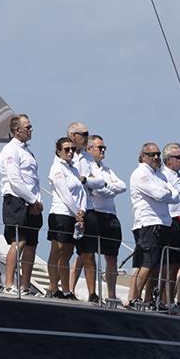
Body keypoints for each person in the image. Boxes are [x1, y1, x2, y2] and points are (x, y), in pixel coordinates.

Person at [127, 142, 180, 308]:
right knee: (147, 263)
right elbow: (159, 194)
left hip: (163, 223)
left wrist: (166, 192)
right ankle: (133, 299)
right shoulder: (140, 173)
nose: (156, 157)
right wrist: (166, 192)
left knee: (158, 266)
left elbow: (176, 196)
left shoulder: (160, 175)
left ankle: (149, 299)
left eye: (158, 154)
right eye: (152, 154)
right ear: (143, 157)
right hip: (148, 223)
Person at [0, 114, 43, 295]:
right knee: (19, 241)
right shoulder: (10, 150)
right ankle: (9, 284)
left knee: (32, 243)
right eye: (28, 127)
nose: (31, 130)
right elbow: (15, 179)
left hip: (32, 201)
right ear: (17, 130)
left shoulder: (27, 151)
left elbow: (33, 179)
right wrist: (32, 200)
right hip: (16, 200)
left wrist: (37, 201)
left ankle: (25, 285)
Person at [66, 122, 106, 302]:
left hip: (88, 208)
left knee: (88, 254)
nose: (87, 137)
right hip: (68, 209)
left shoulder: (88, 159)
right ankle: (65, 290)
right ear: (73, 135)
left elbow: (100, 181)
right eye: (84, 134)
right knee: (64, 251)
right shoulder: (63, 154)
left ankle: (92, 292)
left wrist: (84, 180)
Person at [86, 134, 127, 301]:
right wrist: (110, 189)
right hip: (94, 213)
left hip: (110, 215)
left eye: (104, 148)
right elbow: (97, 190)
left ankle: (111, 295)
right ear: (89, 149)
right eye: (99, 147)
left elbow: (122, 186)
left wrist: (106, 186)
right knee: (86, 255)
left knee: (112, 257)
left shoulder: (107, 169)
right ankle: (79, 291)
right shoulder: (86, 166)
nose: (103, 150)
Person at [46, 137, 86, 300]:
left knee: (67, 252)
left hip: (73, 215)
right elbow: (64, 193)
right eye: (66, 149)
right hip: (61, 213)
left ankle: (67, 290)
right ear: (58, 151)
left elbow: (81, 192)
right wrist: (77, 211)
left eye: (72, 149)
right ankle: (54, 287)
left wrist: (82, 209)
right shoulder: (57, 168)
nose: (70, 152)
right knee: (57, 250)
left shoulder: (74, 169)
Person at [161, 142, 180, 315]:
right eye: (179, 157)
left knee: (175, 266)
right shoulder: (164, 176)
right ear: (169, 159)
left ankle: (170, 300)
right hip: (170, 222)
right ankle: (163, 299)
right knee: (167, 265)